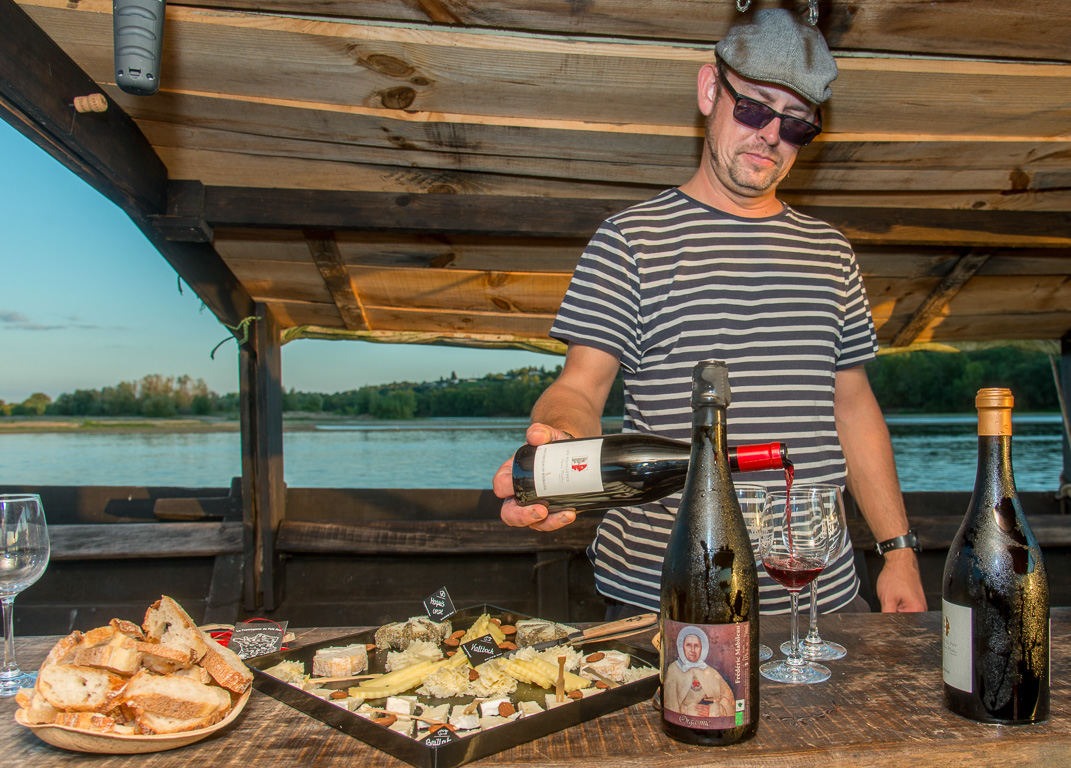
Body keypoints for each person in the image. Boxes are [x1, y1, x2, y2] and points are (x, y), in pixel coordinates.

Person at [492, 9, 927, 617]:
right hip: (665, 601)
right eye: (753, 109)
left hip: (820, 597)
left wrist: (899, 551)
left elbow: (852, 405)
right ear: (707, 91)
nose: (771, 135)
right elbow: (580, 389)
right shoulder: (630, 240)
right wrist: (558, 451)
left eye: (797, 126)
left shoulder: (832, 252)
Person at [662, 626, 736, 719]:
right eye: (688, 645)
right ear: (682, 647)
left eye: (696, 646)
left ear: (702, 648)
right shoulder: (673, 669)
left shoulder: (710, 671)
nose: (692, 650)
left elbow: (728, 700)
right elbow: (670, 704)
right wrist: (688, 711)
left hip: (712, 724)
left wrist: (714, 710)